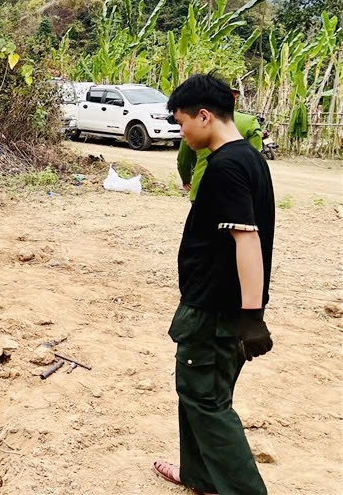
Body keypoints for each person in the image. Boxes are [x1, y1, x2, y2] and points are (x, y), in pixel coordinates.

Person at [153, 73, 275, 495]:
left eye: (182, 122)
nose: (181, 132)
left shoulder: (226, 167)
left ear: (204, 116)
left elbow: (248, 240)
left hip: (215, 311)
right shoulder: (249, 157)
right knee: (196, 392)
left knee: (207, 402)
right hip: (215, 306)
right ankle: (200, 475)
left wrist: (250, 316)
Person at [176, 110, 263, 201]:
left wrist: (186, 179)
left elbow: (184, 159)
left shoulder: (197, 120)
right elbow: (254, 163)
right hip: (237, 191)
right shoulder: (249, 122)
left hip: (201, 187)